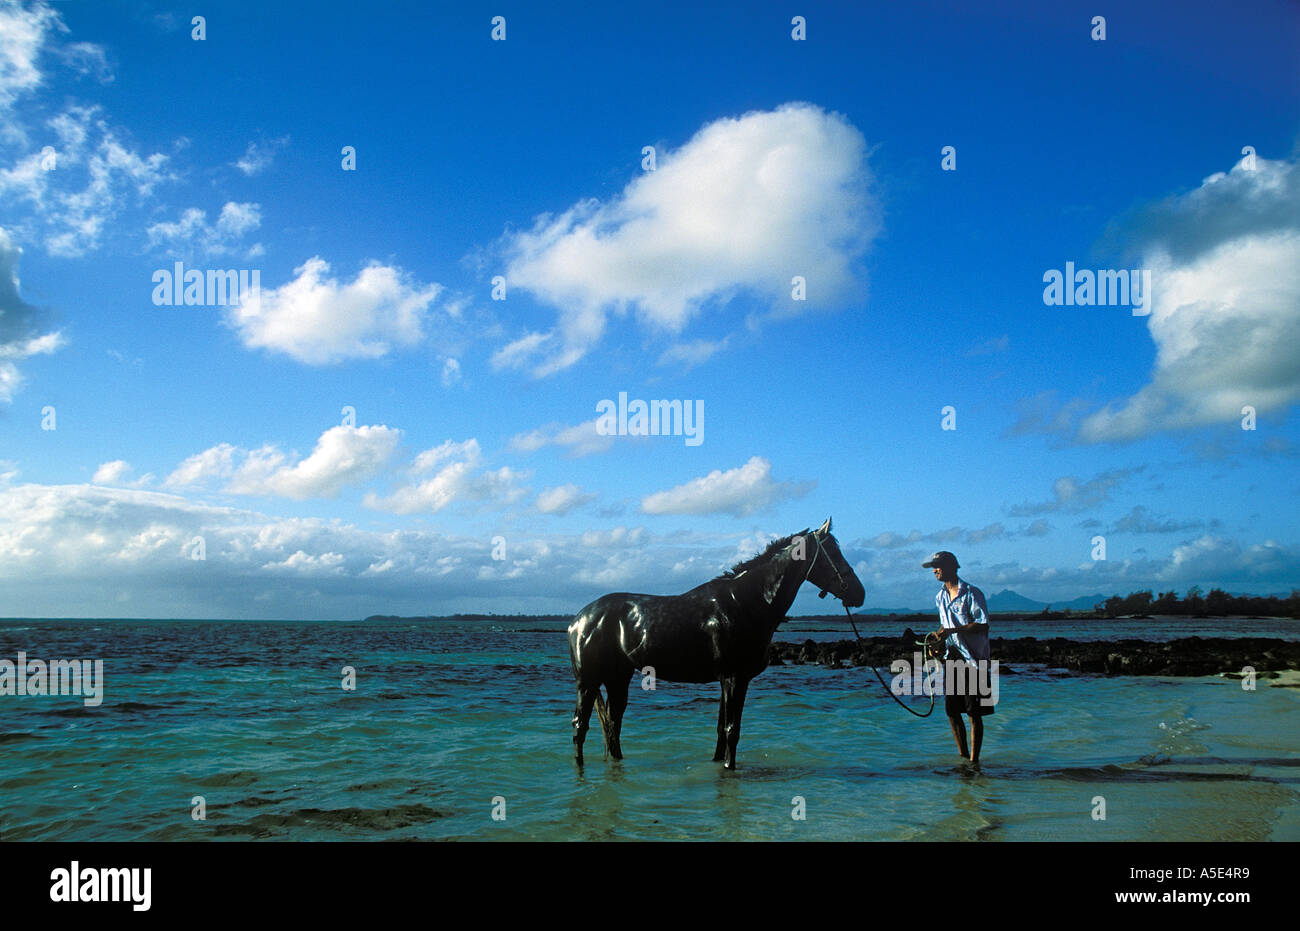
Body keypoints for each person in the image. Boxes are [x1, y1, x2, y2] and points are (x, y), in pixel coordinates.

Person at [922, 551, 993, 764]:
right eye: (933, 567)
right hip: (952, 656)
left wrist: (953, 631)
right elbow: (945, 625)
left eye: (938, 566)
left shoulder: (972, 593)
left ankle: (974, 761)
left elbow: (983, 623)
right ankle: (963, 757)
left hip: (974, 659)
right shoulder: (940, 596)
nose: (934, 570)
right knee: (952, 711)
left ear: (952, 567)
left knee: (974, 712)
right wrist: (937, 639)